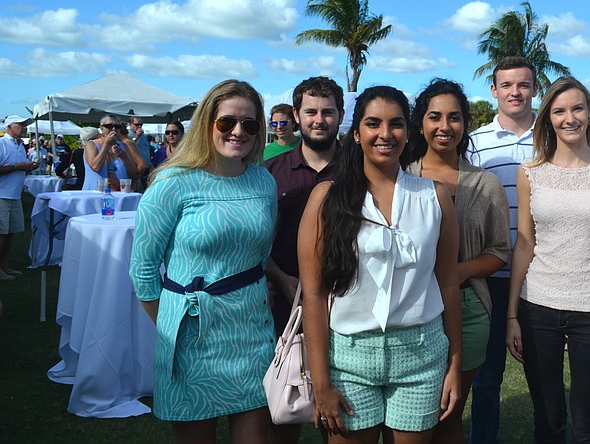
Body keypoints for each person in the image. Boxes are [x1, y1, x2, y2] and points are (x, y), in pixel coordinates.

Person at [298, 86, 462, 443]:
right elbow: (313, 293)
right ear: (356, 133)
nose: (385, 134)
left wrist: (454, 364)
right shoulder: (326, 197)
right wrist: (320, 381)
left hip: (421, 355)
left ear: (410, 131)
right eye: (373, 123)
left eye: (396, 124)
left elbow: (449, 283)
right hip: (348, 359)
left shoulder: (434, 196)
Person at [129, 79, 277, 444]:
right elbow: (143, 270)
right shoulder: (170, 184)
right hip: (192, 337)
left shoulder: (263, 182)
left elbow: (260, 253)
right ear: (207, 123)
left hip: (251, 335)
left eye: (250, 124)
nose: (238, 131)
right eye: (226, 122)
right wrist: (172, 323)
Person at [505, 76, 590, 443]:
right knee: (547, 421)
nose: (569, 118)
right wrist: (512, 315)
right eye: (559, 111)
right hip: (537, 308)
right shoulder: (530, 172)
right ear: (548, 118)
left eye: (577, 108)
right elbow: (525, 244)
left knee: (587, 425)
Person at [406, 78, 511, 443]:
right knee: (412, 416)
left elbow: (500, 251)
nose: (444, 126)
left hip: (468, 309)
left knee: (448, 413)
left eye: (454, 117)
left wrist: (455, 272)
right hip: (411, 310)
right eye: (434, 116)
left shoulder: (485, 184)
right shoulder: (402, 176)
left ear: (465, 124)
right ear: (420, 122)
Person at [262, 76, 345, 443]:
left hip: (347, 302)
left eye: (328, 112)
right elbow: (257, 243)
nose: (319, 119)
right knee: (285, 402)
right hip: (285, 302)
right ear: (296, 115)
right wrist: (281, 278)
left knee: (343, 407)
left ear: (341, 115)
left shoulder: (360, 168)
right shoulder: (271, 173)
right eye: (311, 111)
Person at [468, 55, 538, 444]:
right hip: (490, 277)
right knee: (487, 378)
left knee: (543, 378)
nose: (515, 92)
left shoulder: (552, 136)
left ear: (534, 88)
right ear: (494, 90)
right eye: (506, 85)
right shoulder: (476, 143)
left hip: (541, 276)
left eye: (523, 85)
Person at [0, 115, 38, 281]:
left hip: (14, 195)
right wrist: (17, 167)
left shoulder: (21, 145)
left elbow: (18, 168)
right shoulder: (1, 143)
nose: (25, 128)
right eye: (21, 125)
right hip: (1, 195)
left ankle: (3, 265)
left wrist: (28, 167)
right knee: (1, 234)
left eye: (25, 125)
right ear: (9, 127)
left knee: (10, 233)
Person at [82, 115, 139, 191]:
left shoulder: (123, 146)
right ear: (101, 128)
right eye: (109, 126)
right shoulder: (91, 144)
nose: (113, 129)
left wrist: (124, 156)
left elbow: (134, 173)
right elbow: (95, 167)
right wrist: (106, 145)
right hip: (95, 195)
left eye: (117, 126)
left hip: (119, 195)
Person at [128, 117, 152, 188]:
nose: (139, 126)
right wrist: (137, 136)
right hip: (137, 169)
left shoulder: (144, 137)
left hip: (147, 169)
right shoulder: (127, 136)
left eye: (141, 124)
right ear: (130, 124)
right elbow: (129, 146)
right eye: (137, 124)